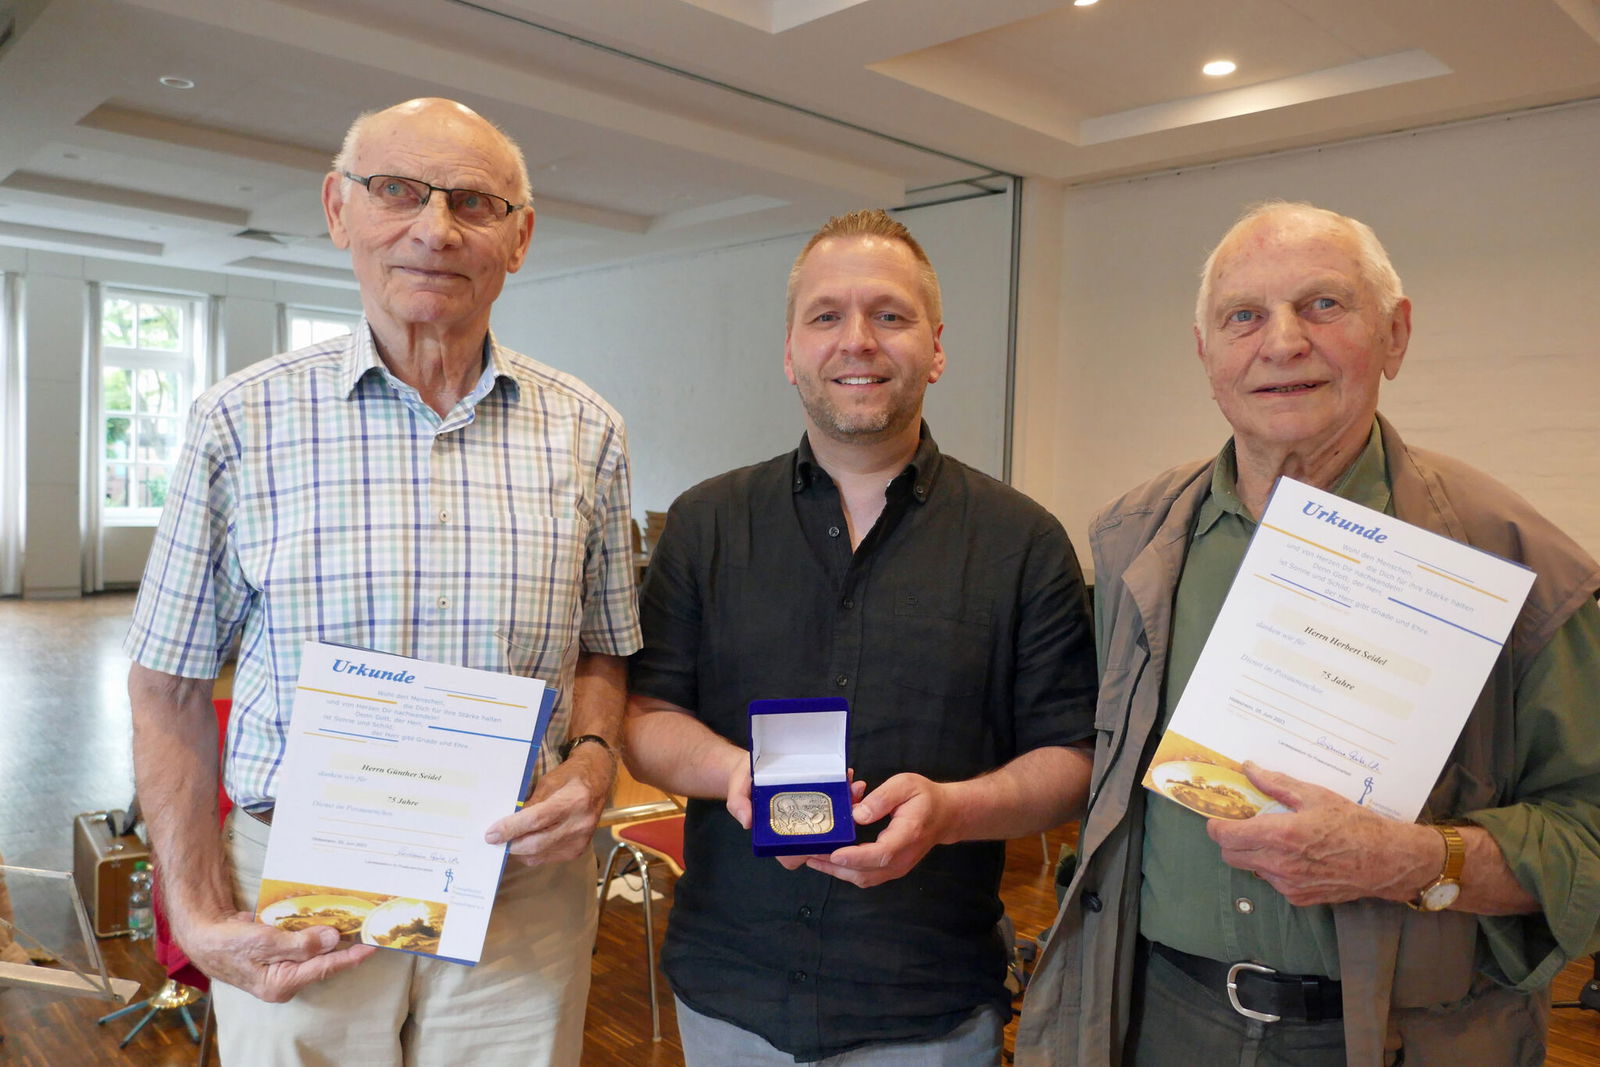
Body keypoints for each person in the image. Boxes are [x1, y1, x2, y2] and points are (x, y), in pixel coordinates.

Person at [1016, 201, 1600, 1065]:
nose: (1282, 342)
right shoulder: (1134, 540)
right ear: (1205, 352)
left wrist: (1414, 859)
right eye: (1243, 316)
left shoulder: (1517, 565)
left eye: (1323, 305)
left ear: (1395, 336)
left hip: (1402, 1038)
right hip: (1159, 1022)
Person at [124, 98, 640, 1066]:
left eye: (475, 203)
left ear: (519, 237)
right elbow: (168, 684)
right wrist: (193, 911)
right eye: (397, 191)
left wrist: (596, 756)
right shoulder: (241, 421)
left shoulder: (588, 431)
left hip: (518, 886)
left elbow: (604, 642)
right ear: (338, 209)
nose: (435, 229)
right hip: (298, 885)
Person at [626, 209, 1098, 1065]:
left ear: (937, 347)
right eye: (827, 315)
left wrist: (953, 811)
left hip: (926, 999)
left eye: (890, 314)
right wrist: (736, 772)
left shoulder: (1021, 542)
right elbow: (648, 712)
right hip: (733, 991)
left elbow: (1071, 761)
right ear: (790, 351)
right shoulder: (706, 523)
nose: (858, 341)